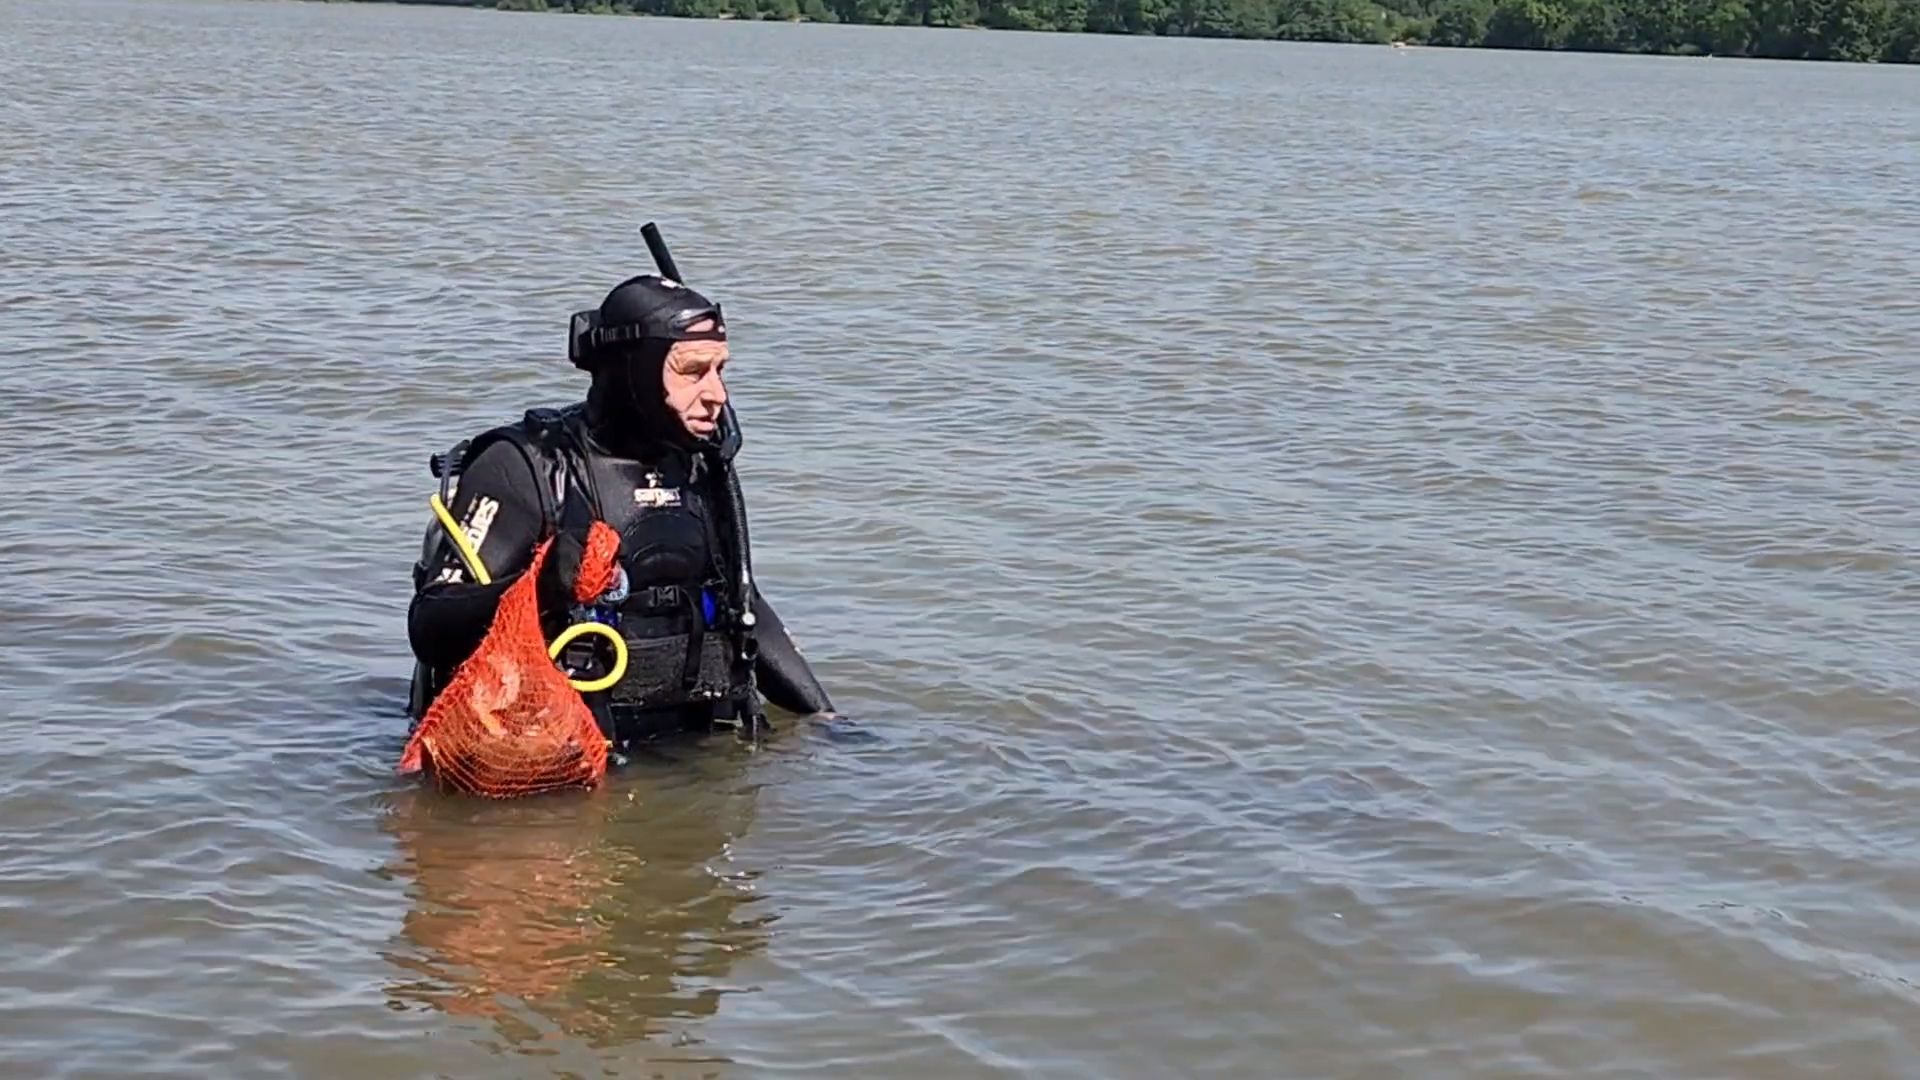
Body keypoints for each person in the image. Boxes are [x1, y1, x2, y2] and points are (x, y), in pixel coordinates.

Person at [404, 272, 835, 749]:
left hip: (692, 755)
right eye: (693, 372)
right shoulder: (527, 467)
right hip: (555, 759)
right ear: (636, 371)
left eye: (720, 370)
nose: (718, 394)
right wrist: (540, 586)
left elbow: (742, 606)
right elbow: (430, 627)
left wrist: (827, 720)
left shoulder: (701, 465)